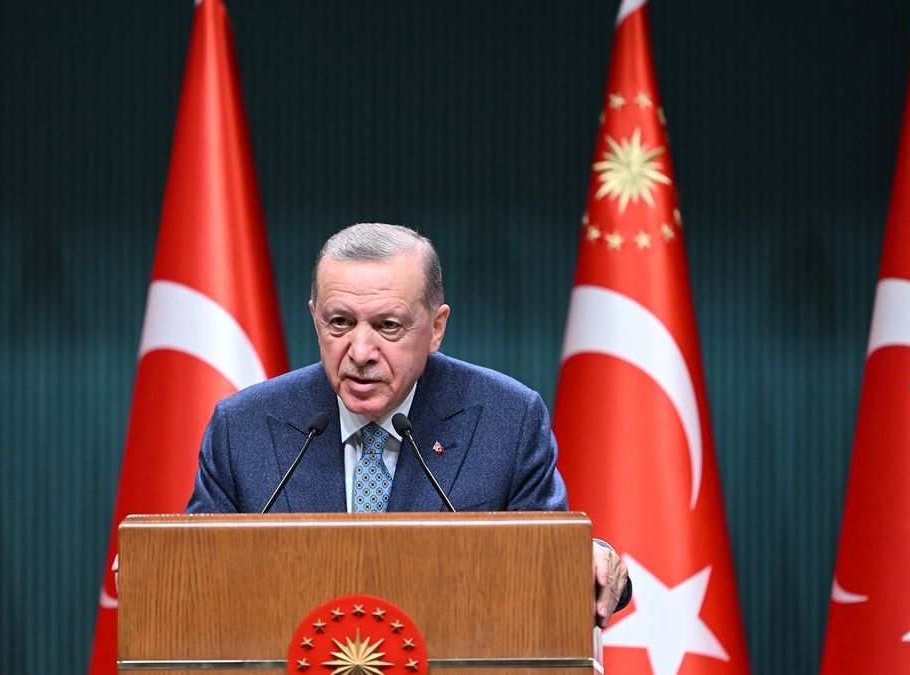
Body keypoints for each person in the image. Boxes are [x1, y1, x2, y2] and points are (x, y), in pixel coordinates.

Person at [184, 222, 630, 626]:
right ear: (315, 320)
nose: (360, 351)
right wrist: (162, 570)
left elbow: (551, 563)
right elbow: (194, 573)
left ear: (436, 328)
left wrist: (593, 561)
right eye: (339, 323)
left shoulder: (507, 420)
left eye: (388, 326)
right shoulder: (242, 426)